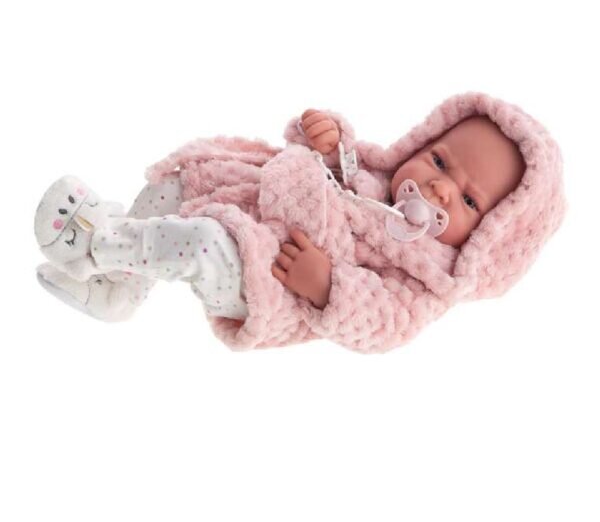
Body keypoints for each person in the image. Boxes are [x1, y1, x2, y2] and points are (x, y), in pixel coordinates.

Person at [34, 92, 566, 353]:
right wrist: (328, 141)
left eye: (468, 200)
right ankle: (118, 287)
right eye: (440, 161)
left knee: (201, 243)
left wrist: (328, 287)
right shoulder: (378, 177)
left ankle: (95, 245)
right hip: (261, 212)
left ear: (488, 240)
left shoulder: (427, 279)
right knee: (187, 180)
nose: (439, 188)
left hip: (274, 282)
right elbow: (342, 171)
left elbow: (388, 322)